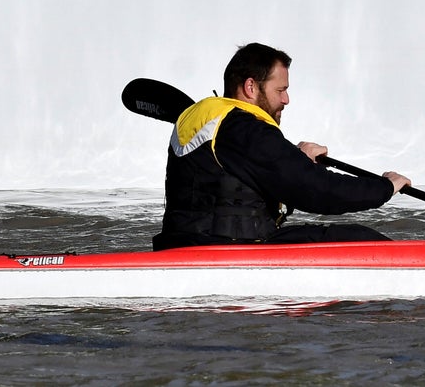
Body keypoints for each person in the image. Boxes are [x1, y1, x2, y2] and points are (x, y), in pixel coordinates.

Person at [154, 42, 411, 251]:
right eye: (281, 90)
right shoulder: (246, 128)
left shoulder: (208, 119)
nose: (286, 99)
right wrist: (384, 187)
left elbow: (240, 173)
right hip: (230, 250)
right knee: (359, 237)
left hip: (182, 245)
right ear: (251, 87)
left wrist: (296, 159)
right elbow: (318, 190)